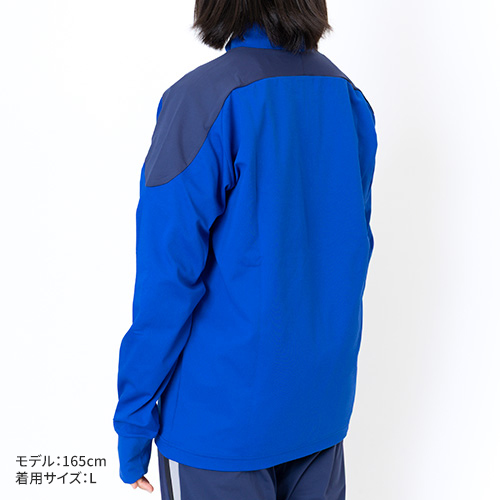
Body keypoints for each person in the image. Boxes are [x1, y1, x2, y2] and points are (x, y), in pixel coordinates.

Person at [113, 0, 378, 498]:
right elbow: (351, 251)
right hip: (319, 412)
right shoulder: (346, 96)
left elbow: (167, 278)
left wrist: (133, 419)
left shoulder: (203, 99)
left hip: (220, 425)